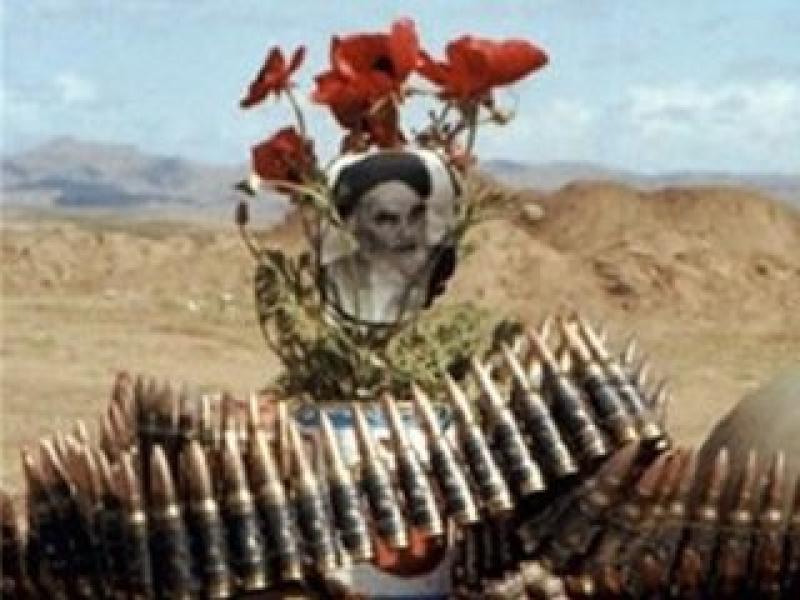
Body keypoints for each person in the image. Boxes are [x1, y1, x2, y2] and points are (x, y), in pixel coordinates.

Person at [320, 148, 460, 325]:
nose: (407, 232)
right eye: (387, 220)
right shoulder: (335, 284)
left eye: (416, 215)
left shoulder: (440, 269)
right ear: (352, 225)